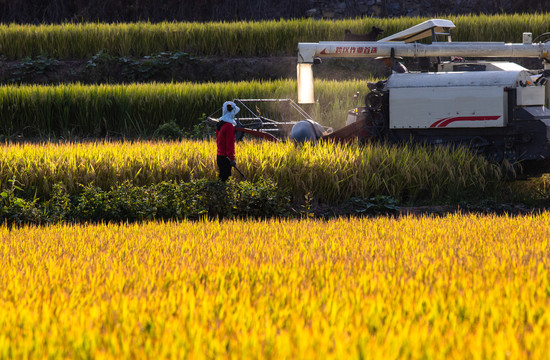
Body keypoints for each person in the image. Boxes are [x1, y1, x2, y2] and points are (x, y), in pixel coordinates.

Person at [216, 101, 240, 181]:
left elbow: (219, 141)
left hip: (219, 156)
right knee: (225, 180)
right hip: (226, 158)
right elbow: (230, 145)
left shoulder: (220, 124)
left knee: (222, 178)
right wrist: (232, 158)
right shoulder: (229, 126)